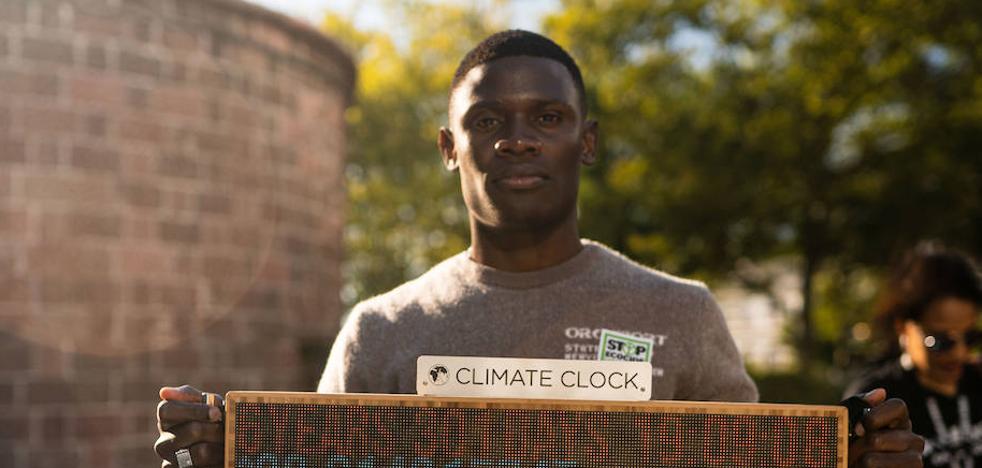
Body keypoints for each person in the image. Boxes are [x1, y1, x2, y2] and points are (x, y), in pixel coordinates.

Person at [156, 30, 924, 467]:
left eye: (548, 118)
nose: (517, 140)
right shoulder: (381, 331)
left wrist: (848, 464)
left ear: (586, 142)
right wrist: (236, 454)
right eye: (488, 122)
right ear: (450, 148)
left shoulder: (681, 314)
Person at [846, 243, 982, 467]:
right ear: (903, 327)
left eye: (970, 338)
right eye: (940, 341)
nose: (959, 353)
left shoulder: (977, 380)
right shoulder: (879, 396)